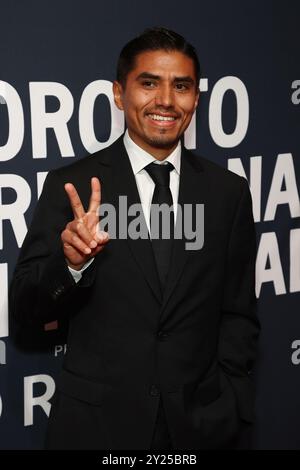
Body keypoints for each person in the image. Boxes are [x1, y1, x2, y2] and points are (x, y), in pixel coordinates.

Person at [9, 27, 260, 450]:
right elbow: (25, 310)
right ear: (119, 93)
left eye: (181, 86)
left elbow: (238, 313)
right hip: (96, 428)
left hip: (199, 429)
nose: (165, 100)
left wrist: (230, 404)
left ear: (196, 99)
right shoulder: (71, 185)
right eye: (149, 83)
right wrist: (71, 265)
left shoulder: (228, 193)